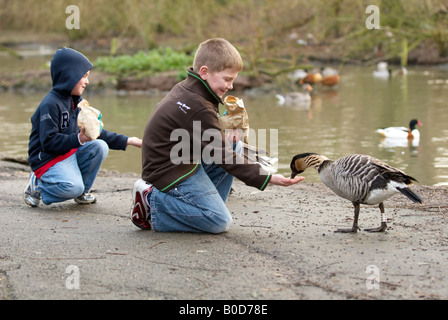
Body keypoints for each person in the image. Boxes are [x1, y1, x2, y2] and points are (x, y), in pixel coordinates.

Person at [131, 38, 304, 233]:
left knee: (234, 145)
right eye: (227, 79)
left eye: (233, 80)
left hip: (184, 159)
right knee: (218, 222)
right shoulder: (198, 105)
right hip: (168, 173)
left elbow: (206, 138)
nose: (231, 86)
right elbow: (223, 156)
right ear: (204, 72)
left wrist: (223, 135)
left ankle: (200, 209)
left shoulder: (188, 88)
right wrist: (268, 177)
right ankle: (152, 202)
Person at [24, 47, 142, 207]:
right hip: (49, 160)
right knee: (72, 187)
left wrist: (128, 140)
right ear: (68, 76)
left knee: (100, 146)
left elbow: (96, 132)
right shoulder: (50, 104)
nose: (87, 81)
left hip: (68, 152)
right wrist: (79, 138)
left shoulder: (77, 101)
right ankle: (38, 185)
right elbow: (49, 142)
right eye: (83, 76)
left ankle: (82, 192)